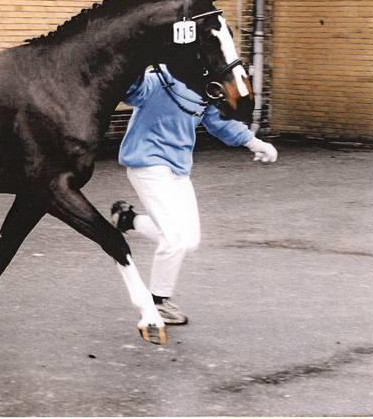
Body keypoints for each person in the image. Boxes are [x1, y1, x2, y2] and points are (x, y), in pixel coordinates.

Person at [110, 64, 278, 325]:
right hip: (147, 163)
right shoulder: (159, 77)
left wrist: (255, 142)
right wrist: (134, 60)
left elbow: (219, 123)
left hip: (177, 167)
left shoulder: (204, 86)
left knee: (189, 240)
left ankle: (127, 220)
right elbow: (131, 91)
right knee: (174, 240)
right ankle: (158, 302)